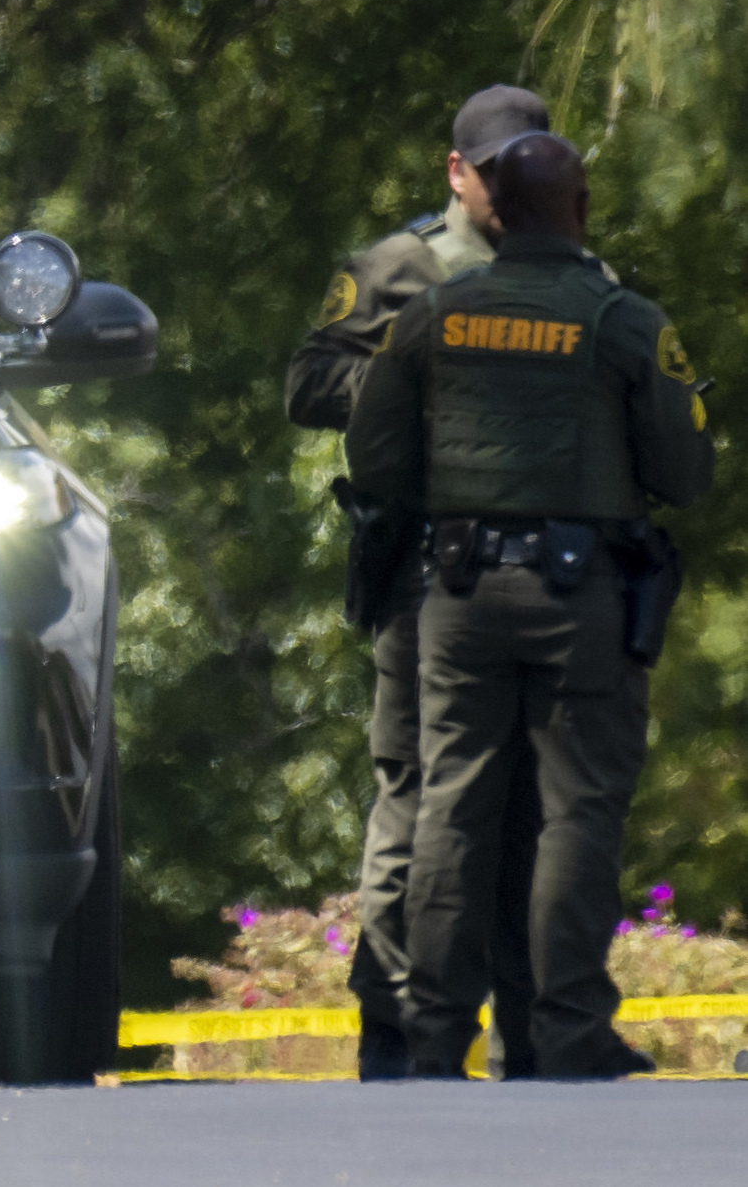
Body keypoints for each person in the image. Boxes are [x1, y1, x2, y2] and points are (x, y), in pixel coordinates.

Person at [346, 132, 713, 1078]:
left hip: (456, 594)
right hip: (578, 594)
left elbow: (375, 456)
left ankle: (431, 1038)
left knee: (451, 806)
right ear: (581, 208)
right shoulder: (623, 321)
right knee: (577, 809)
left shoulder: (430, 314)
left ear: (494, 210)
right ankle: (565, 1033)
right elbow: (684, 470)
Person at [287, 85, 553, 1079]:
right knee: (419, 795)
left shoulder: (573, 272)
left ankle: (533, 1027)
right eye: (490, 170)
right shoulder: (402, 265)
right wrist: (424, 369)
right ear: (457, 172)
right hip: (432, 575)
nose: (504, 187)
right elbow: (310, 385)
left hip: (553, 583)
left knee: (539, 806)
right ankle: (395, 1024)